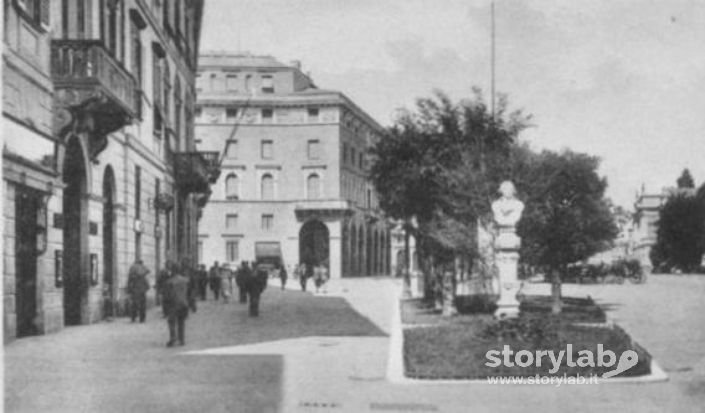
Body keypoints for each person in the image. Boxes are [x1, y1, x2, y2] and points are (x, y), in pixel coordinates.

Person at [162, 261, 197, 347]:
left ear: (172, 270)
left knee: (172, 322)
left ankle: (173, 338)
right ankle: (182, 339)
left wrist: (165, 309)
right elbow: (190, 294)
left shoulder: (169, 282)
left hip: (173, 304)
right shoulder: (186, 280)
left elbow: (166, 296)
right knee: (181, 322)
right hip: (184, 304)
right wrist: (192, 305)